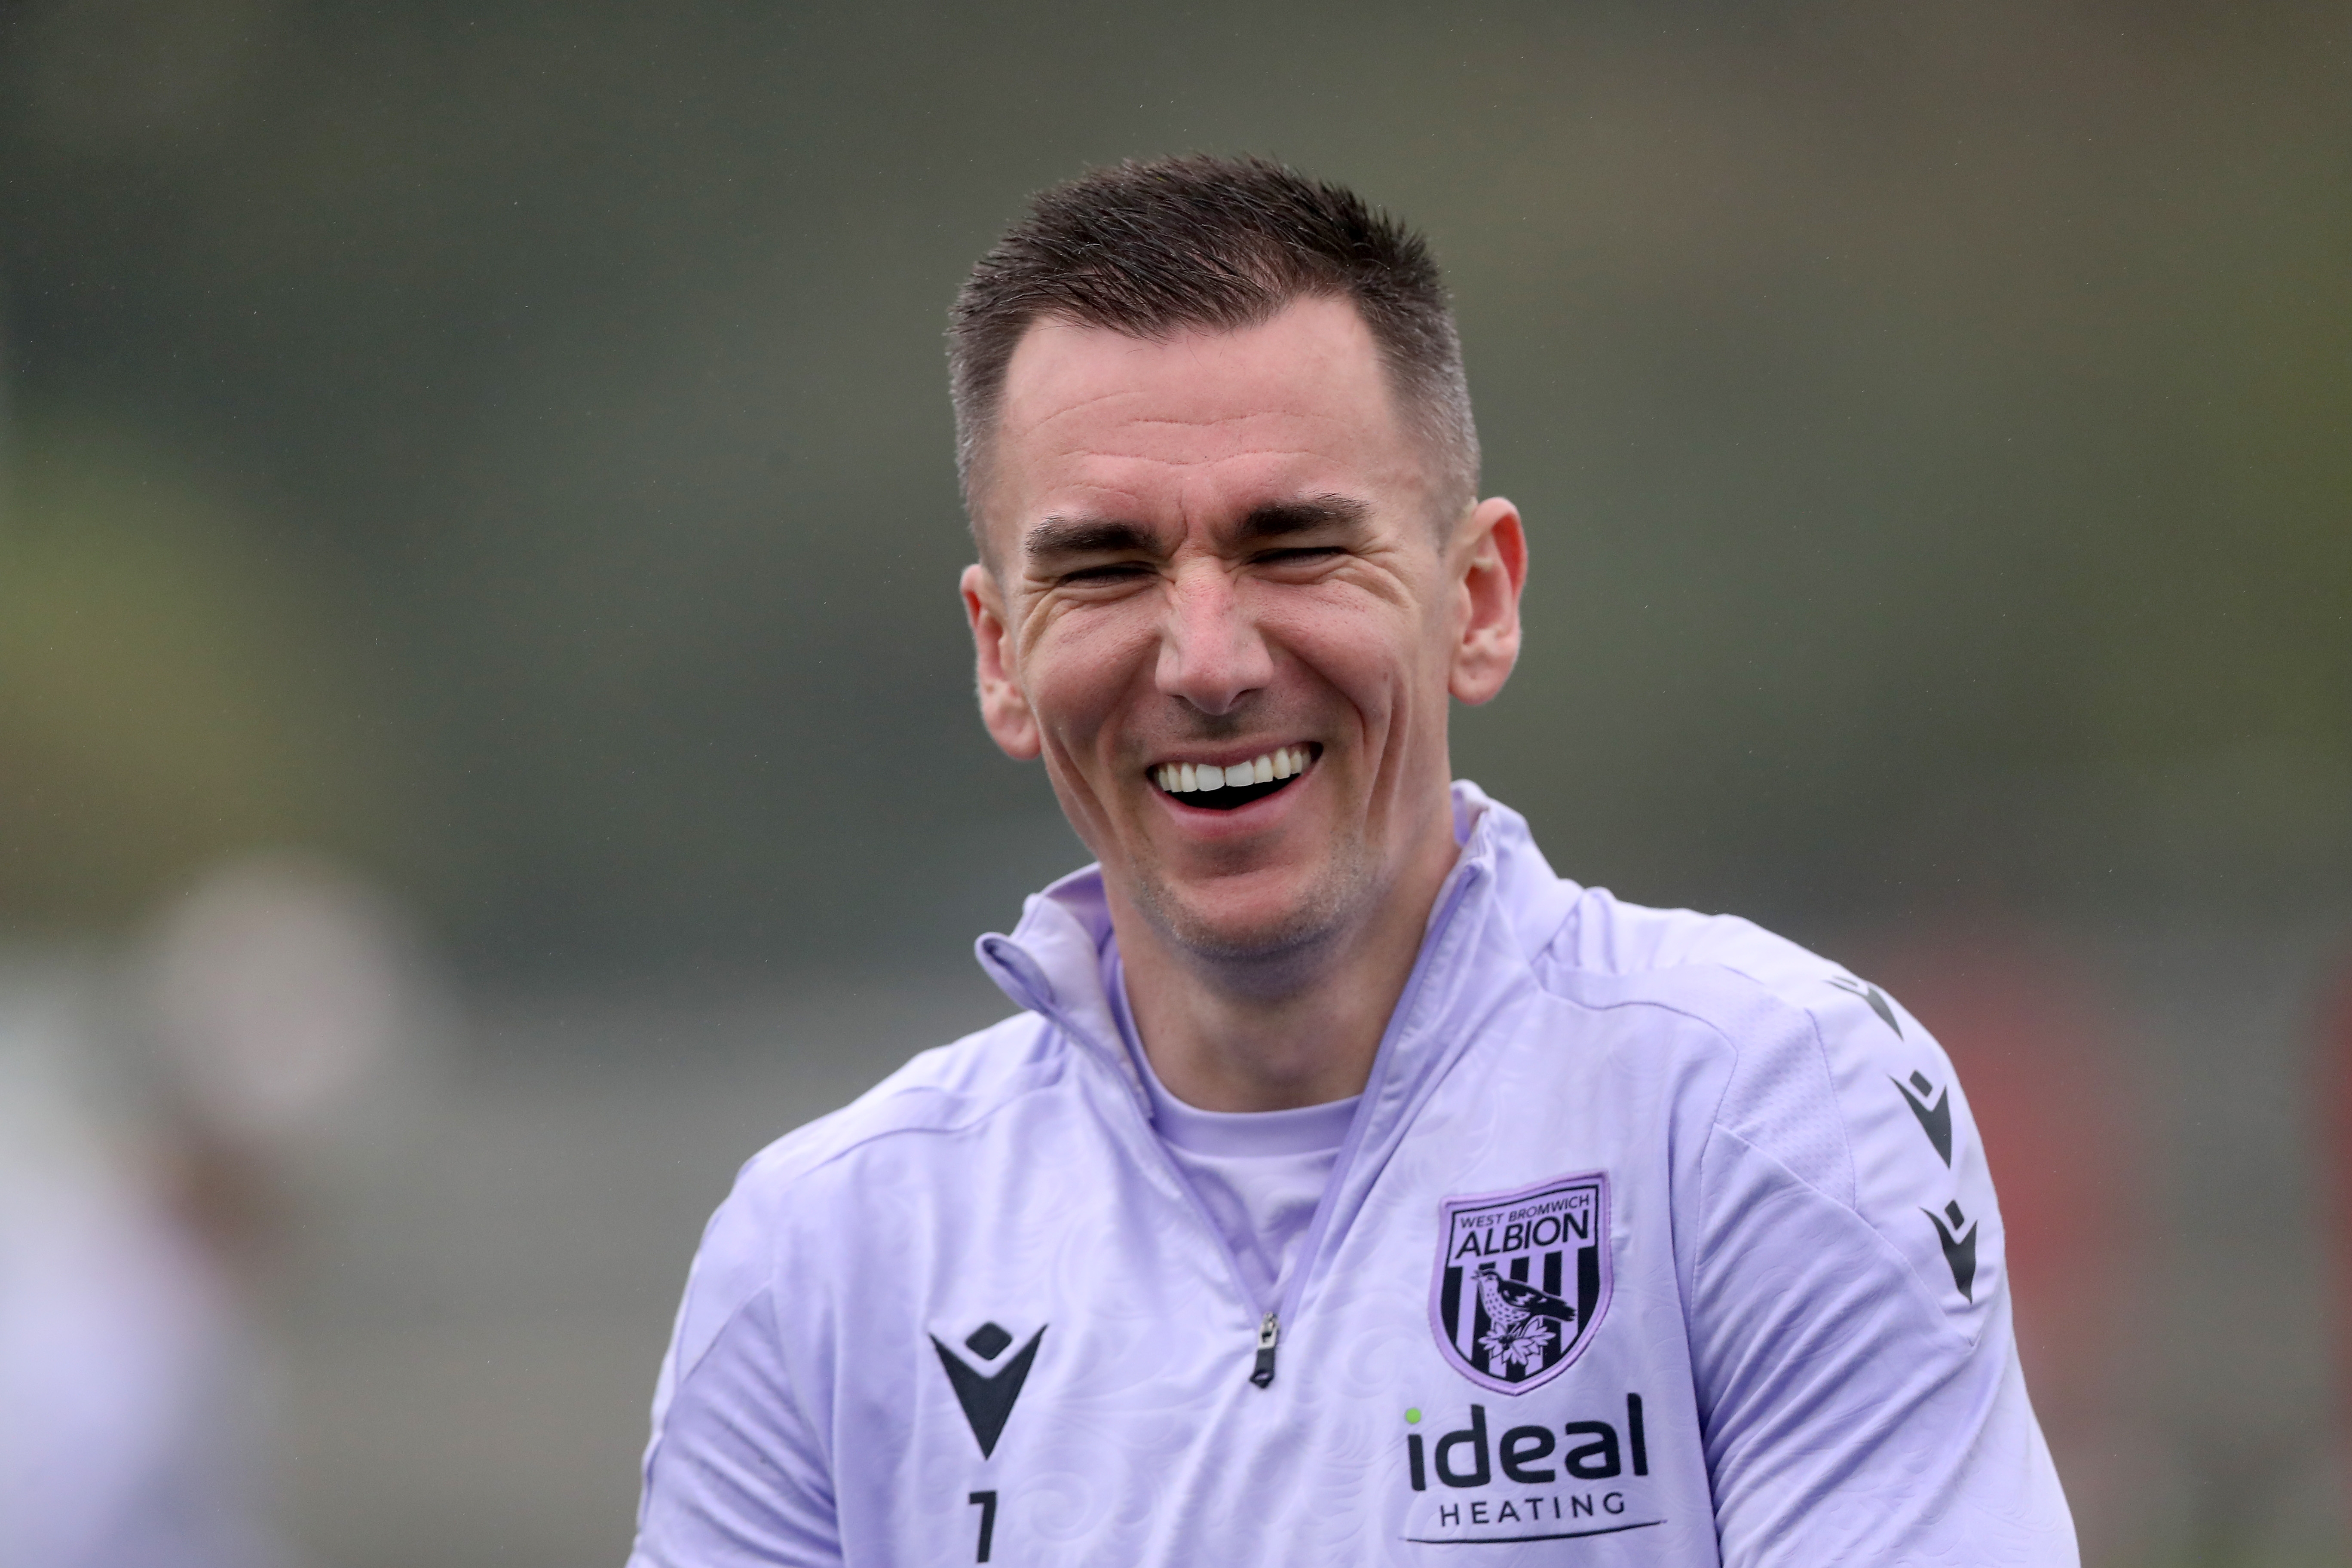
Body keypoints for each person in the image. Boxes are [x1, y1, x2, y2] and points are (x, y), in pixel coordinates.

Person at [628, 155, 2076, 1566]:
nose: (1206, 661)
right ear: (1001, 656)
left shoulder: (1774, 1105)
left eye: (1295, 546)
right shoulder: (823, 1252)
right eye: (1107, 567)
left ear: (1479, 599)